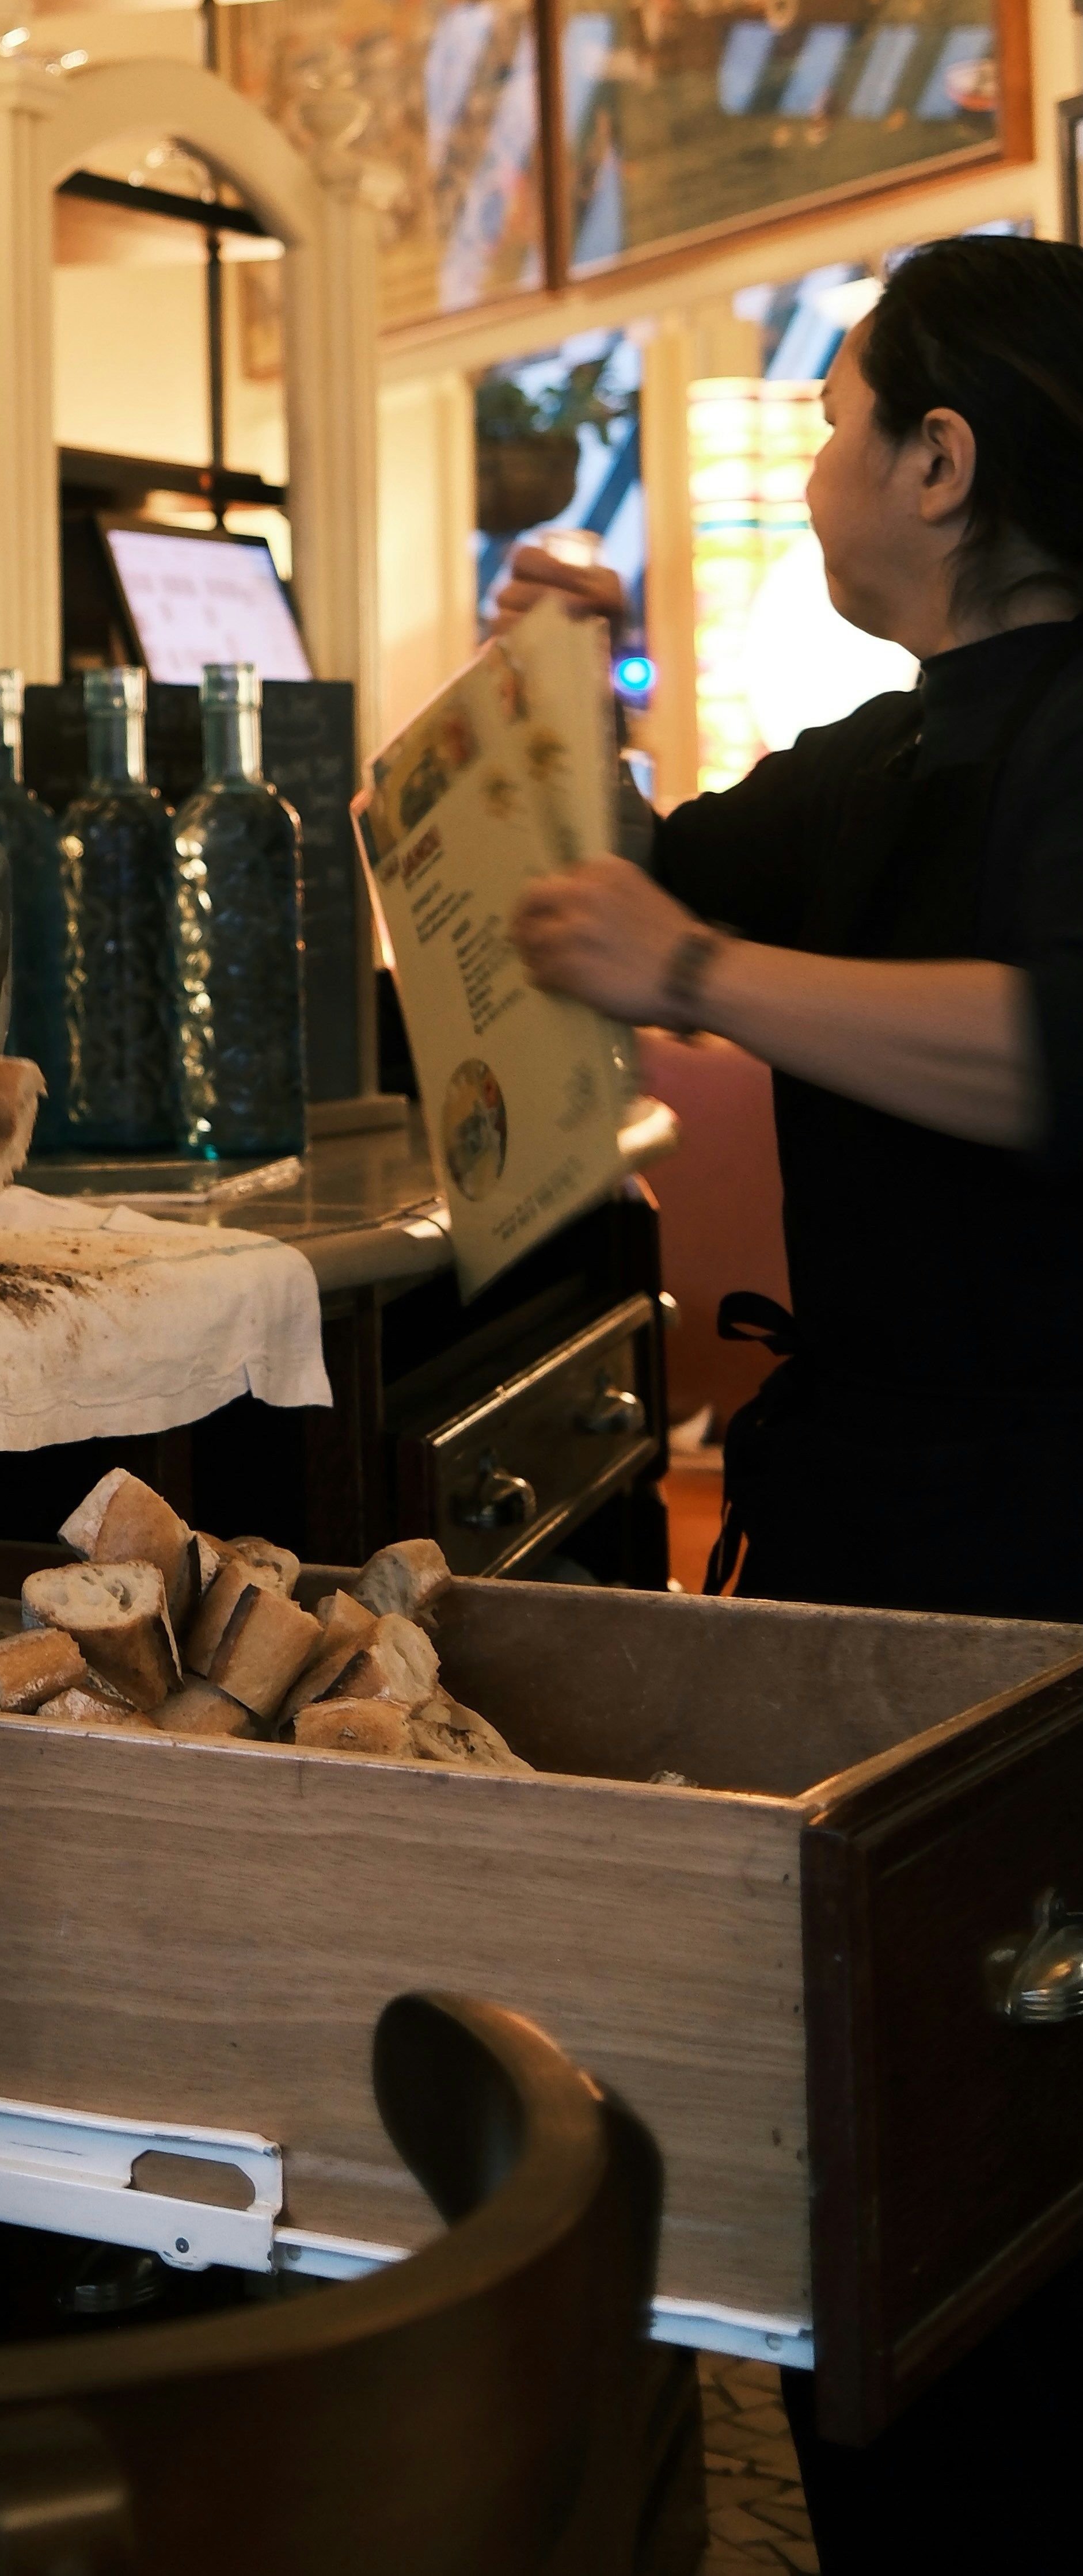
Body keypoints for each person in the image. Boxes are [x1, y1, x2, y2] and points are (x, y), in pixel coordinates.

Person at [503, 231, 1083, 2574]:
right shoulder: (893, 748)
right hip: (896, 1549)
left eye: (846, 418)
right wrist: (553, 702)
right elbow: (628, 885)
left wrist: (707, 974)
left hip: (1044, 1553)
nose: (823, 464)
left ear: (942, 461)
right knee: (903, 2163)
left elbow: (1059, 1051)